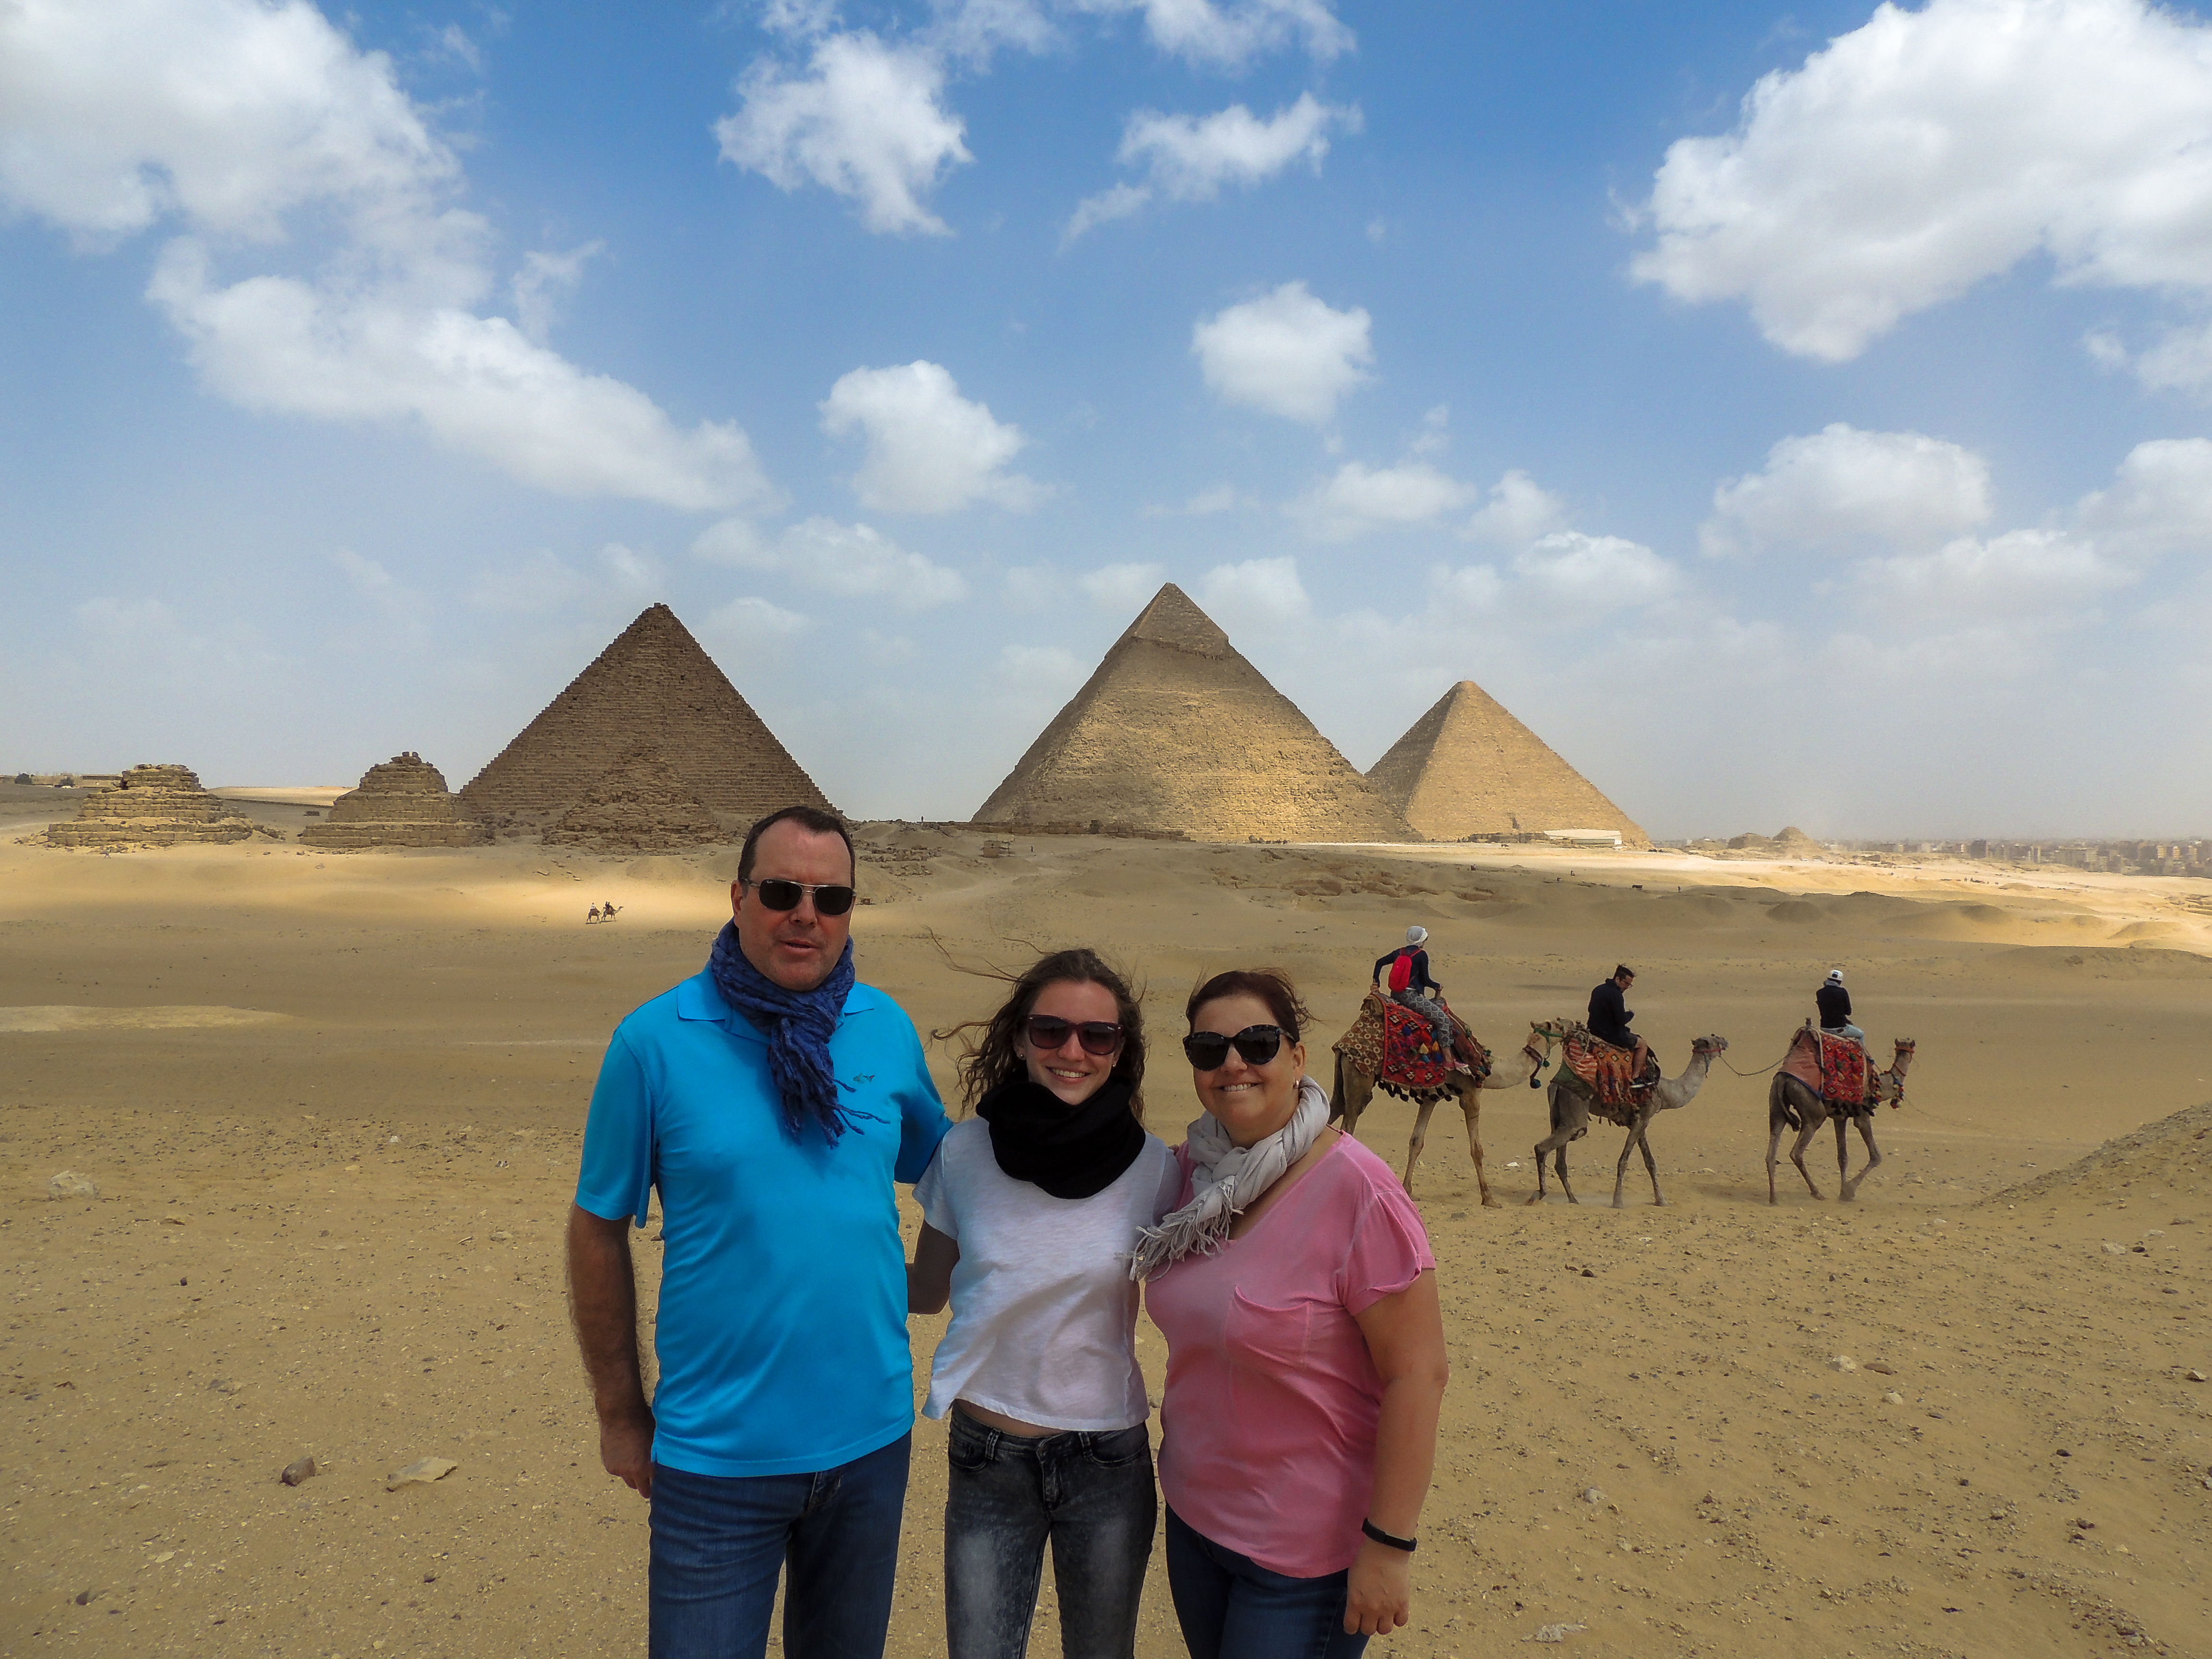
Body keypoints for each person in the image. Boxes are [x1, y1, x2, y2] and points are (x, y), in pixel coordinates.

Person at [565, 805, 951, 1659]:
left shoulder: (882, 1028)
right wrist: (621, 1412)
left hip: (870, 1442)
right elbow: (596, 1230)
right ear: (737, 897)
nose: (806, 915)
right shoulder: (653, 1043)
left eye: (832, 897)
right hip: (716, 1458)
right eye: (781, 891)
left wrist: (927, 1285)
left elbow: (952, 1172)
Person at [1136, 969, 1448, 1659]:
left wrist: (1390, 1547)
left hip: (1303, 1559)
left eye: (1257, 1042)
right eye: (1208, 1049)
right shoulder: (1191, 1177)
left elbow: (1419, 1375)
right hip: (1194, 1522)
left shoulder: (1360, 1192)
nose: (1233, 1064)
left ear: (1299, 1057)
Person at [907, 950, 1183, 1659]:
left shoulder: (1157, 1169)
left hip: (1107, 1460)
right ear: (1020, 1037)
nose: (1072, 1052)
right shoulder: (964, 1154)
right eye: (1050, 1030)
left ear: (1121, 1051)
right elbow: (926, 1291)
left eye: (1098, 1036)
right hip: (987, 1457)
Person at [1370, 925, 1454, 1057]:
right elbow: (1426, 980)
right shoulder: (1422, 956)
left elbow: (1379, 963)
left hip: (1396, 995)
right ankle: (1448, 1057)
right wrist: (1437, 986)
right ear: (1422, 940)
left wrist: (1376, 983)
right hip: (1412, 998)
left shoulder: (1399, 952)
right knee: (1443, 1019)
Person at [1587, 963, 1648, 1079]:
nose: (1627, 987)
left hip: (1593, 1031)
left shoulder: (1598, 989)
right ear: (1618, 979)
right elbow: (1621, 1020)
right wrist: (1631, 1014)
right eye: (1626, 983)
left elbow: (1590, 1010)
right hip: (1611, 1035)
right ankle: (1636, 1078)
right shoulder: (1616, 995)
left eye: (1630, 985)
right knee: (1642, 1045)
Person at [1816, 967, 1864, 1042]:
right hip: (1839, 1029)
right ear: (1840, 982)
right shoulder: (1843, 992)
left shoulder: (1820, 992)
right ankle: (1862, 1053)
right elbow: (1848, 1012)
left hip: (1824, 1027)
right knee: (1861, 1034)